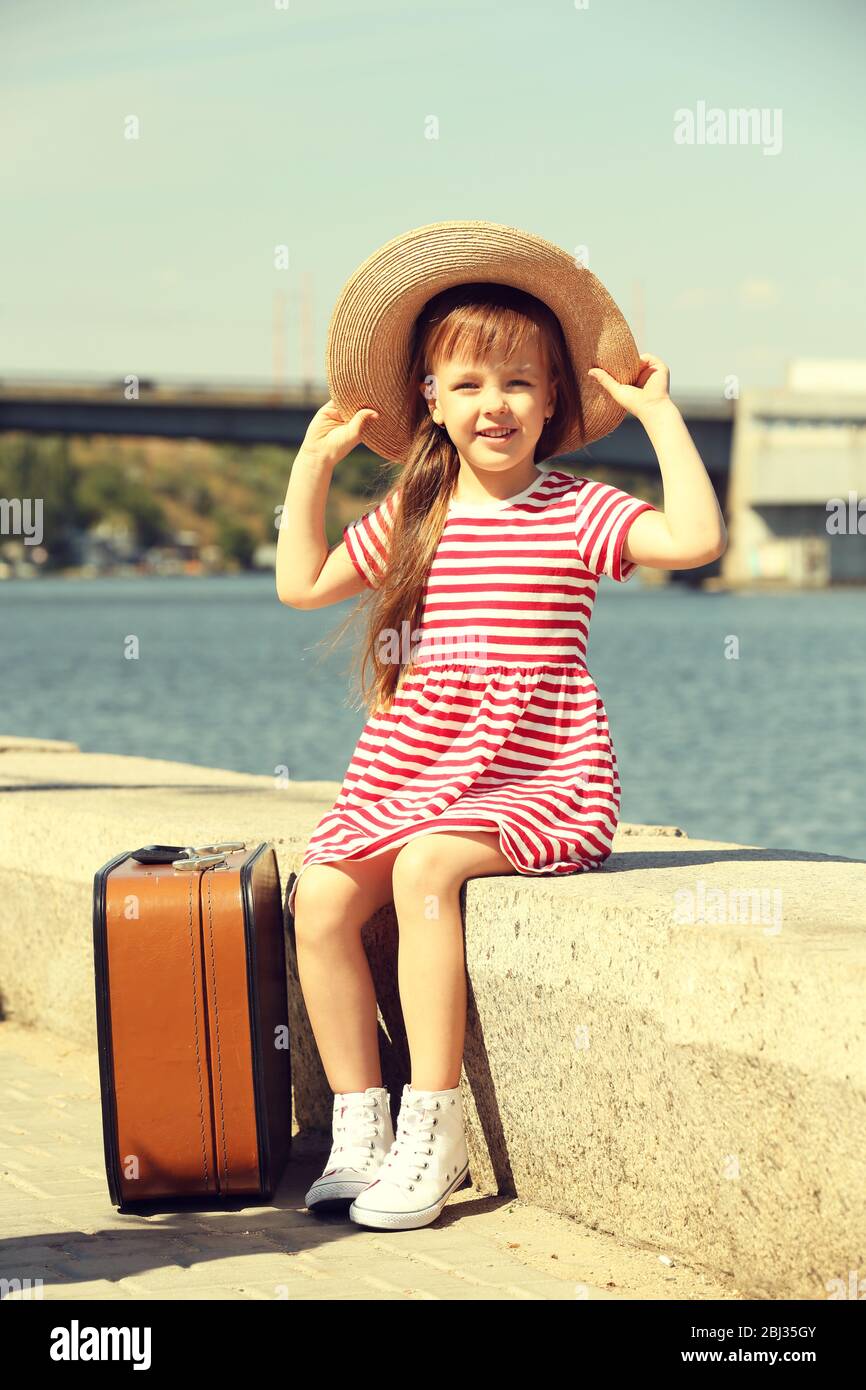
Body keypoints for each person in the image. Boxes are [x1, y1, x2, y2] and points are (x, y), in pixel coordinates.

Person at [275, 221, 727, 1232]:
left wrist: (654, 413)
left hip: (539, 771)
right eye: (469, 383)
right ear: (428, 399)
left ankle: (436, 1130)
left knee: (427, 868)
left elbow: (695, 538)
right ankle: (364, 1126)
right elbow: (301, 584)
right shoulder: (415, 512)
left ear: (554, 402)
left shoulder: (575, 509)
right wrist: (312, 462)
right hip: (417, 760)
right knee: (322, 901)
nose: (495, 404)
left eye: (519, 383)